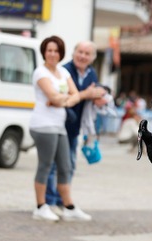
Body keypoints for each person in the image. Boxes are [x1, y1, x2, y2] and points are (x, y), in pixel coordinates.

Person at [29, 36, 91, 222]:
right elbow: (55, 97)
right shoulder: (40, 72)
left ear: (61, 53)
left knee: (65, 167)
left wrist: (61, 99)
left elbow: (75, 96)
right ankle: (40, 207)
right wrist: (64, 99)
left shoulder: (63, 72)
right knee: (45, 166)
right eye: (49, 50)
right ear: (44, 52)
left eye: (56, 50)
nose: (53, 54)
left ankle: (69, 207)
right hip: (43, 125)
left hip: (59, 126)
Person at [45, 40, 106, 213]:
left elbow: (94, 93)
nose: (82, 56)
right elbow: (61, 96)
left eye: (87, 53)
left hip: (74, 127)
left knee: (69, 165)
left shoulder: (91, 73)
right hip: (57, 124)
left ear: (92, 58)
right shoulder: (64, 70)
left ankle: (61, 201)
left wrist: (99, 95)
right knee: (53, 166)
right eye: (80, 52)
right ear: (73, 53)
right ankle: (50, 201)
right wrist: (87, 94)